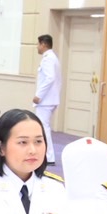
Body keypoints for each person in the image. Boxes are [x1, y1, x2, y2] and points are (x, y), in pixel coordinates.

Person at [32, 34, 60, 163]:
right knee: (43, 127)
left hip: (46, 100)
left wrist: (39, 95)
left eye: (38, 44)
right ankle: (47, 155)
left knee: (43, 128)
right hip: (50, 99)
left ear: (43, 44)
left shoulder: (48, 59)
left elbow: (50, 78)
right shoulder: (53, 58)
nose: (37, 47)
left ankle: (48, 156)